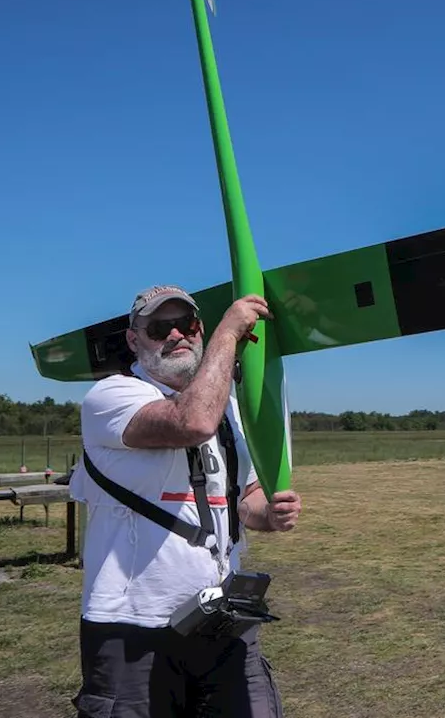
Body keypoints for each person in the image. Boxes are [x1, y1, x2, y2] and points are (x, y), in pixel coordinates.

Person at [69, 284, 302, 718]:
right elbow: (191, 422)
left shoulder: (228, 408)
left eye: (188, 324)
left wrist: (269, 514)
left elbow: (240, 499)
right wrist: (228, 335)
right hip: (134, 627)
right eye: (159, 328)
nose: (176, 335)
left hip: (222, 618)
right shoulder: (111, 397)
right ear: (134, 340)